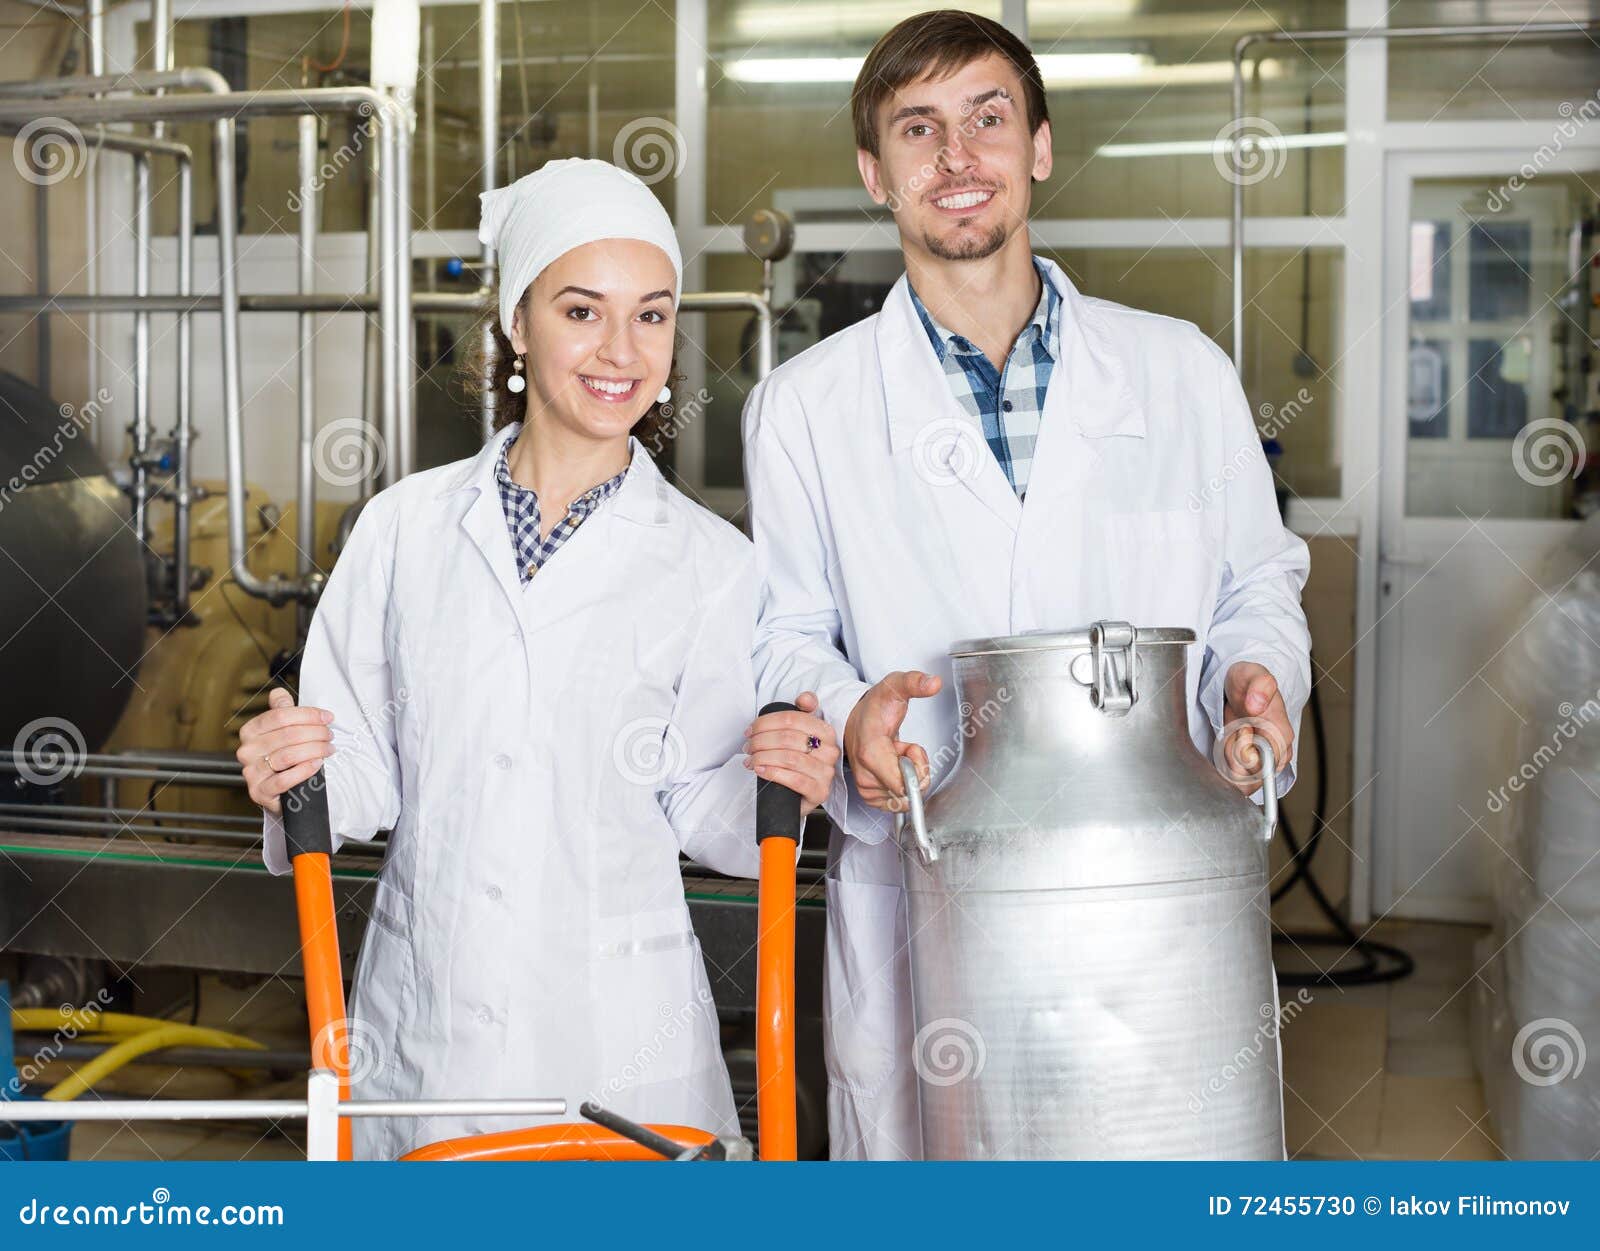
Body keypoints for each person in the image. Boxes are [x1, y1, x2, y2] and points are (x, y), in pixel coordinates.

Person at [742, 10, 1312, 1159]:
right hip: (926, 883)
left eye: (986, 119)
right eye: (918, 129)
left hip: (1153, 913)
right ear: (875, 174)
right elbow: (784, 631)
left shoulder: (1178, 371)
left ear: (1038, 148)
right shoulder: (804, 407)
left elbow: (1257, 580)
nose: (956, 159)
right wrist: (850, 713)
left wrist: (1259, 676)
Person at [237, 158, 838, 1160]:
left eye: (651, 316)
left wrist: (783, 778)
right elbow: (360, 775)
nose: (621, 350)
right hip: (426, 1030)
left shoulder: (712, 564)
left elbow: (710, 810)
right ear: (518, 324)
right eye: (581, 310)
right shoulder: (403, 531)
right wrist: (290, 770)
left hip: (618, 1046)